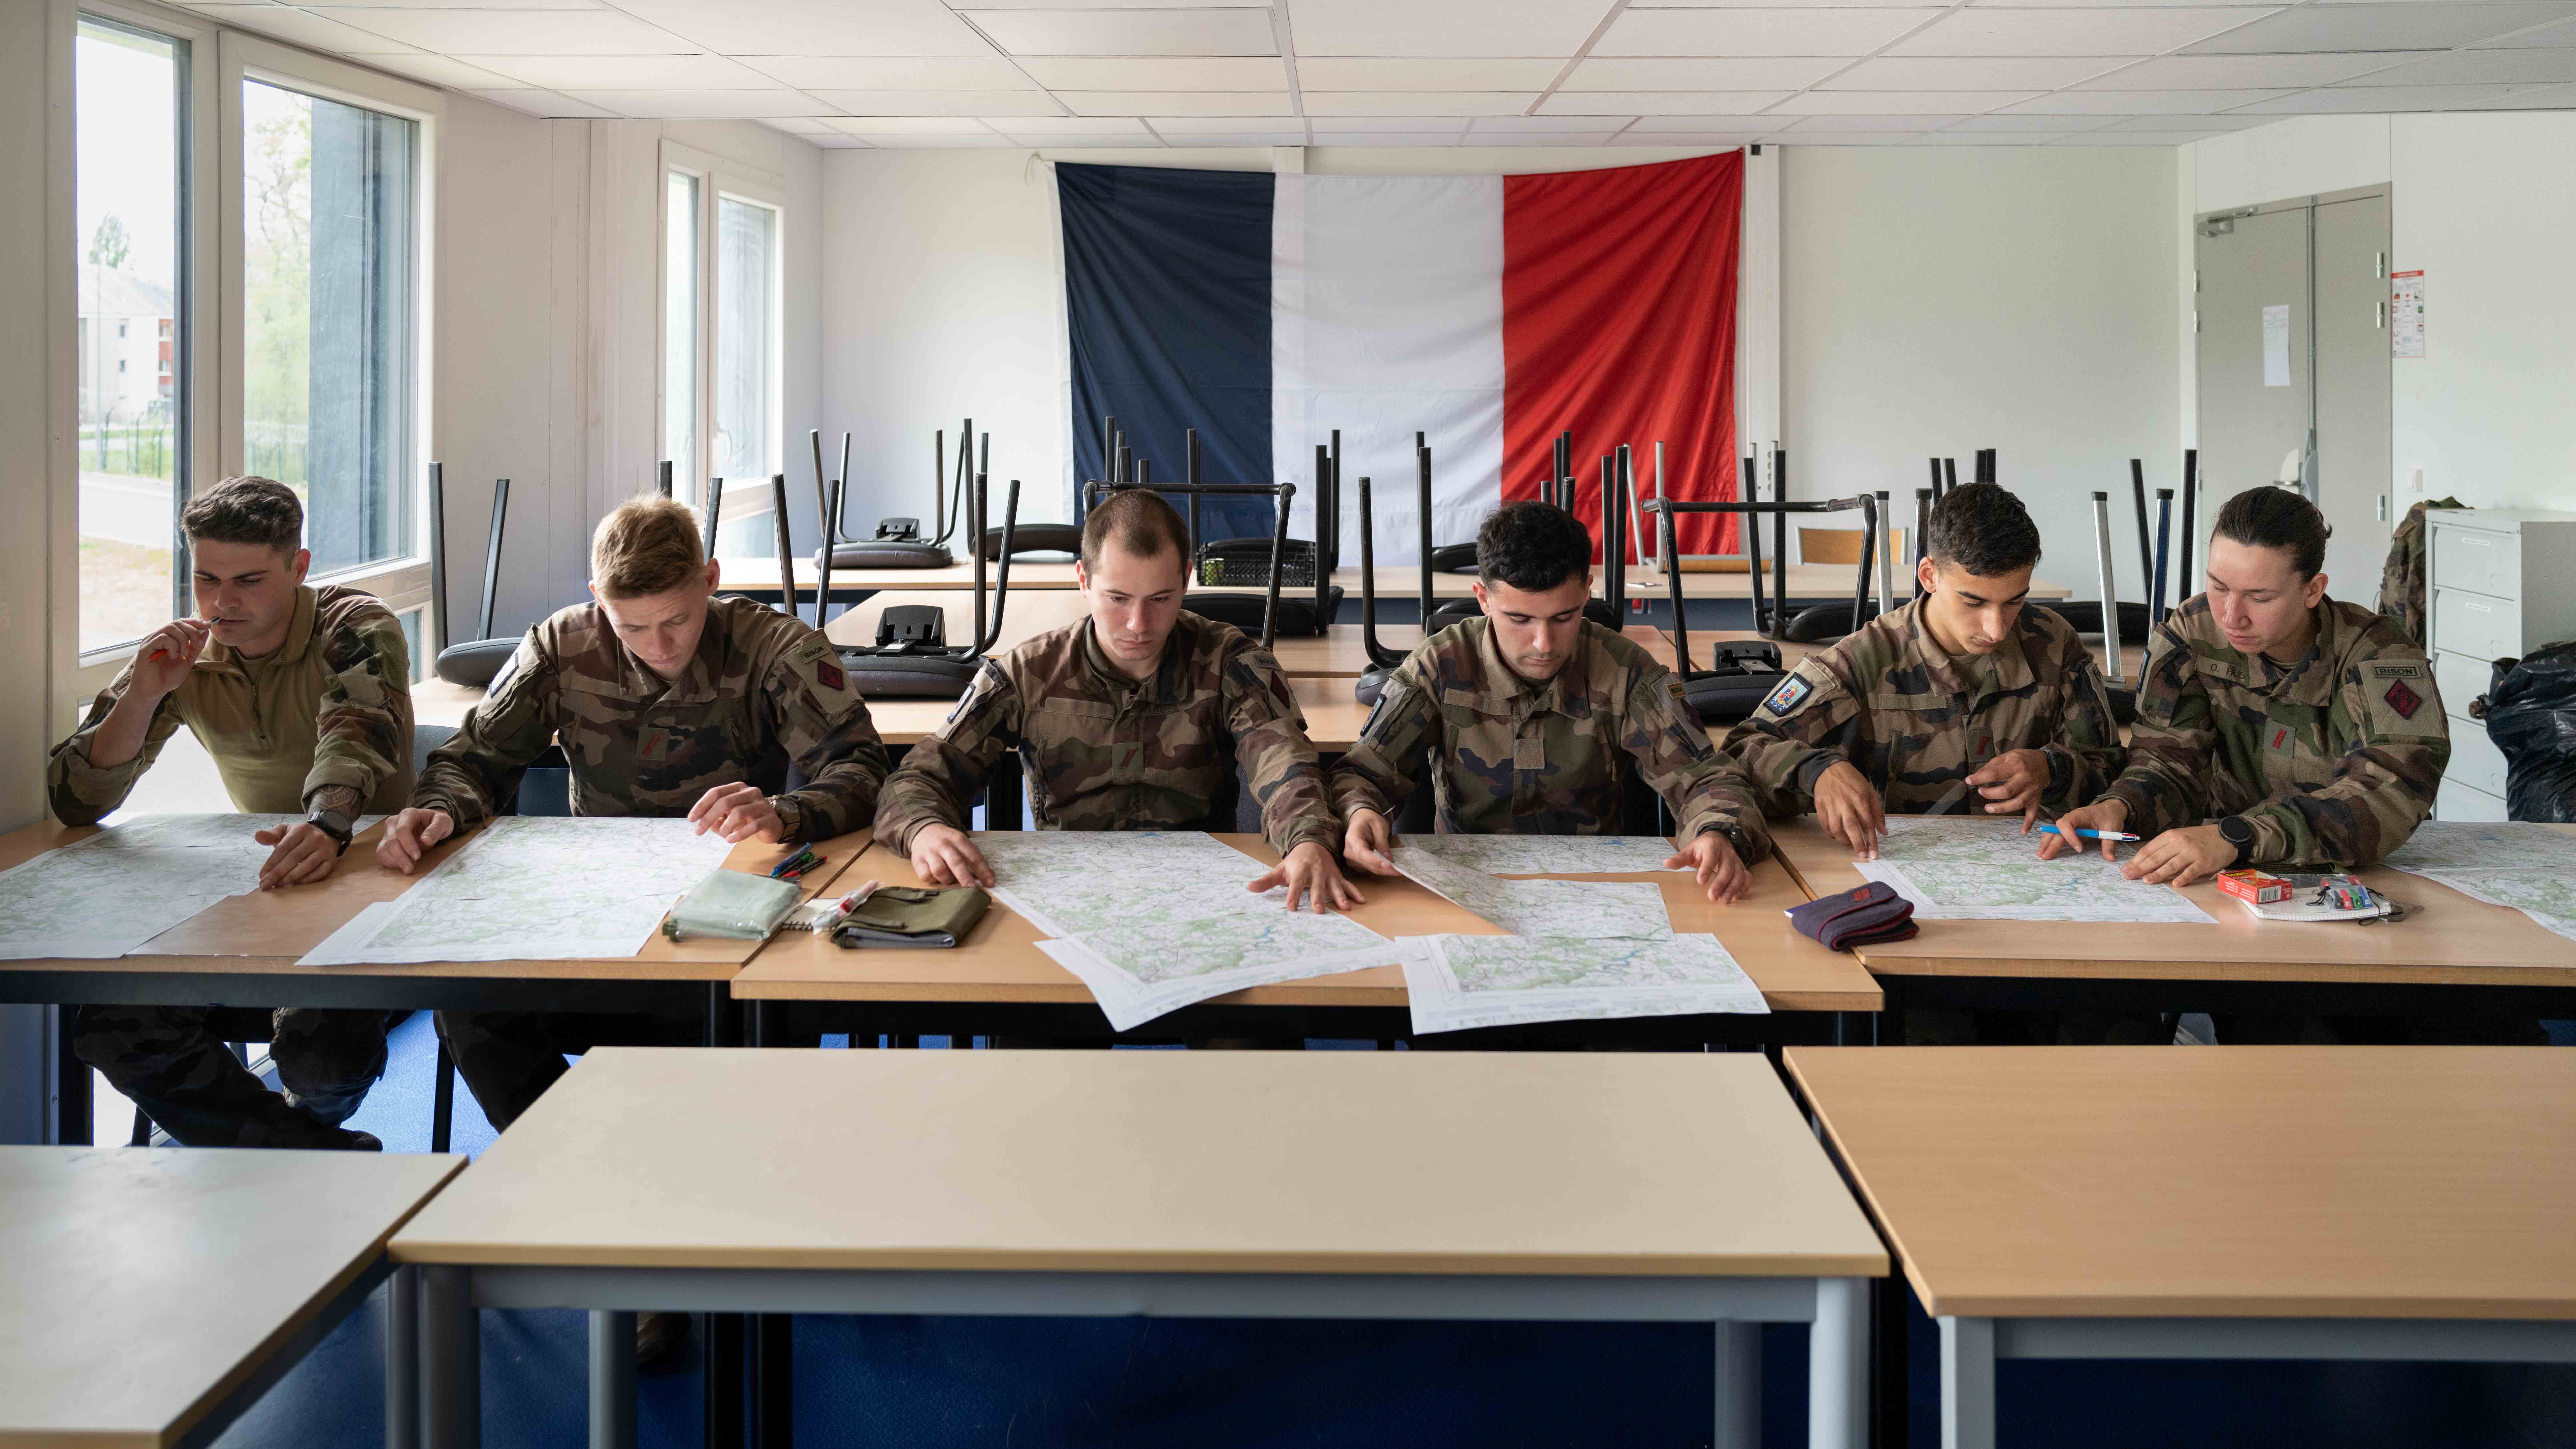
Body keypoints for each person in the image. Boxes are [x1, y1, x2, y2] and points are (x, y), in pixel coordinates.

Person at [384, 496, 888, 1130]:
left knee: (781, 1011)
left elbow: (864, 770)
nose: (658, 645)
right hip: (601, 915)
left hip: (733, 915)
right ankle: (566, 1161)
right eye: (630, 627)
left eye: (677, 619)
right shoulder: (560, 646)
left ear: (710, 579)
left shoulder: (774, 646)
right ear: (598, 597)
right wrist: (436, 810)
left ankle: (743, 1166)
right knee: (469, 1003)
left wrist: (786, 812)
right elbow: (472, 758)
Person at [48, 476, 413, 1149]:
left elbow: (354, 735)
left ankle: (285, 1149)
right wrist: (144, 694)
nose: (223, 602)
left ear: (298, 568)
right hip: (266, 890)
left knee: (319, 1059)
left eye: (249, 579)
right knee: (113, 1024)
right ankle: (311, 1155)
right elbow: (78, 801)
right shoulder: (188, 652)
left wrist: (328, 822)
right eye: (206, 579)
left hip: (374, 887)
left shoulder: (354, 624)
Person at [875, 488, 1355, 910]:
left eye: (1161, 599)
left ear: (1187, 579)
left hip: (1200, 888)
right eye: (1118, 599)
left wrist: (1308, 840)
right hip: (1066, 893)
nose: (1139, 626)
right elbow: (916, 779)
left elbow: (1287, 767)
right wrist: (923, 830)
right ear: (1083, 579)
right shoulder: (1028, 672)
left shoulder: (1232, 663)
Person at [1330, 500, 1765, 903]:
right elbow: (1363, 771)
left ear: (1587, 592)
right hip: (1466, 885)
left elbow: (1706, 779)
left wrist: (1718, 831)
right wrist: (1361, 811)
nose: (1544, 643)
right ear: (1484, 598)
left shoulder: (1624, 669)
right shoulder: (1440, 665)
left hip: (1597, 889)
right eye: (1519, 619)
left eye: (1565, 617)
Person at [2043, 485, 2447, 884]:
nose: (2231, 617)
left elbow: (2392, 793)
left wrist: (2237, 837)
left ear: (2312, 590)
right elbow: (2167, 762)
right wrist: (2122, 805)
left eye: (2260, 597)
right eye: (2219, 587)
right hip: (2227, 873)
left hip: (2359, 876)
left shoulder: (2379, 656)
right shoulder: (2192, 634)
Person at [1725, 481, 2123, 859]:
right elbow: (1742, 753)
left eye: (2015, 602)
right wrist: (1816, 771)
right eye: (1974, 603)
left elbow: (2113, 769)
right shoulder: (1864, 660)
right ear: (1930, 576)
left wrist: (2051, 770)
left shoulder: (2053, 644)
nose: (1997, 628)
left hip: (2030, 872)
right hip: (1896, 874)